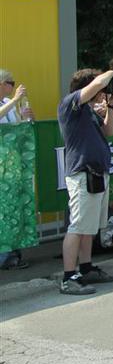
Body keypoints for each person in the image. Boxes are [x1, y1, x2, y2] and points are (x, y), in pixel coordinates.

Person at [57, 69, 113, 295]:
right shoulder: (70, 104)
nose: (102, 91)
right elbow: (99, 82)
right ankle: (68, 277)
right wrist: (112, 73)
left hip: (97, 172)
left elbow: (108, 131)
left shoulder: (89, 111)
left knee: (88, 227)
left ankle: (86, 268)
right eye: (99, 89)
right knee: (77, 225)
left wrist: (110, 106)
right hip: (82, 173)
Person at [0, 70, 35, 270]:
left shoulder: (8, 103)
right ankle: (4, 256)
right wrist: (15, 101)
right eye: (10, 83)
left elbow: (16, 132)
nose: (13, 87)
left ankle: (12, 252)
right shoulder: (9, 103)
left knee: (13, 209)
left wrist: (25, 119)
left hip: (11, 165)